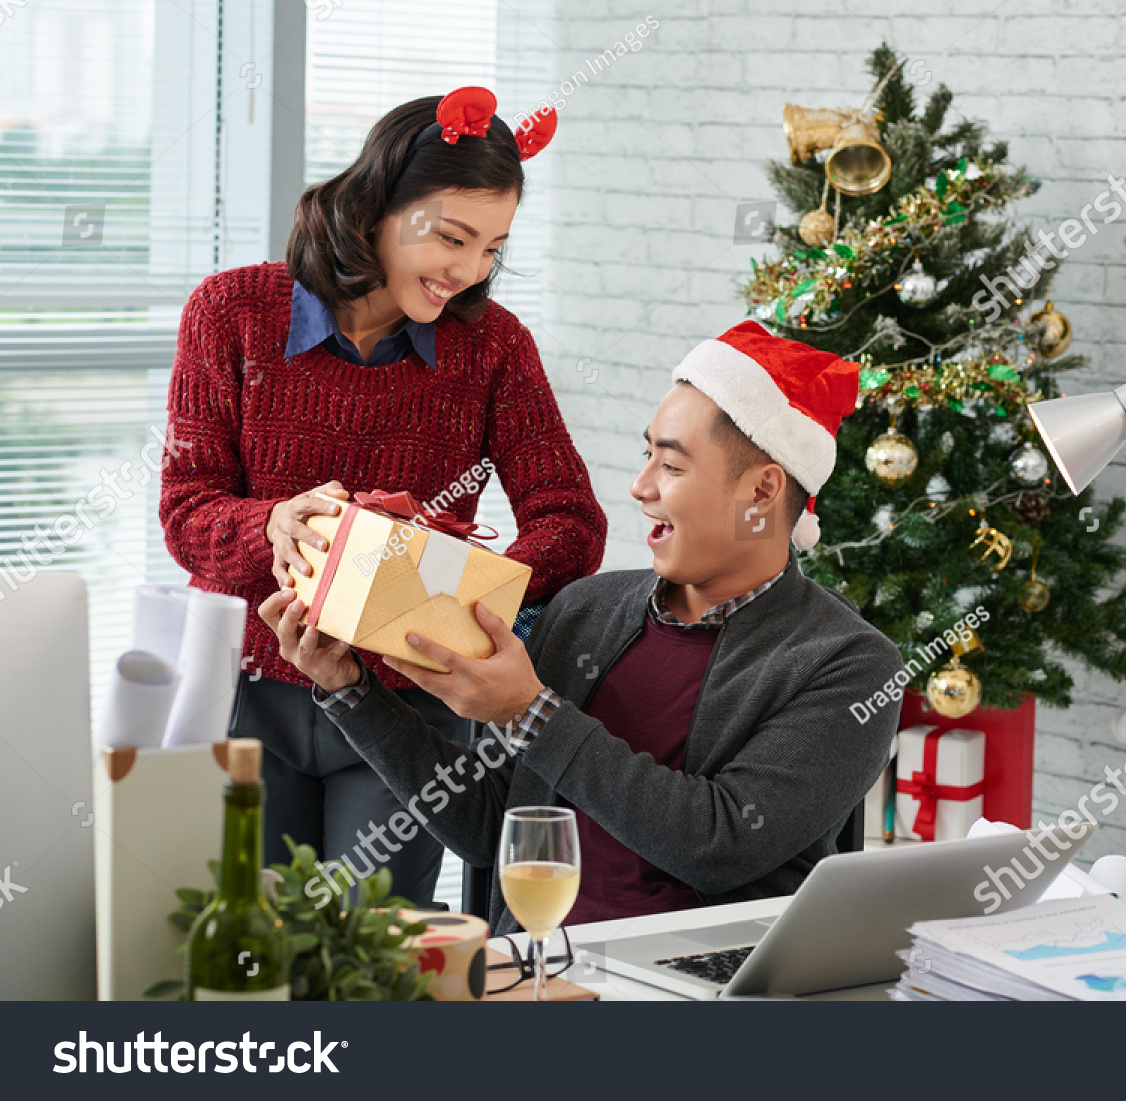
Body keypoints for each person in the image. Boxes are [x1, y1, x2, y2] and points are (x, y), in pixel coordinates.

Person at [259, 321, 903, 933]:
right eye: (645, 455)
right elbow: (490, 826)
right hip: (536, 964)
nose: (638, 486)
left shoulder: (846, 665)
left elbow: (719, 845)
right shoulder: (587, 611)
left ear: (763, 492)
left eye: (672, 467)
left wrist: (529, 712)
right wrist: (349, 690)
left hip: (697, 986)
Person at [160, 88, 606, 906]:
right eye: (452, 237)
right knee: (259, 958)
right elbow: (186, 513)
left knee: (376, 963)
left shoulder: (494, 347)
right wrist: (274, 525)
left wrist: (467, 586)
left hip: (406, 716)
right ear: (375, 206)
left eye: (492, 247)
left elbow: (571, 522)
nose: (470, 270)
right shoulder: (229, 314)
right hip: (246, 691)